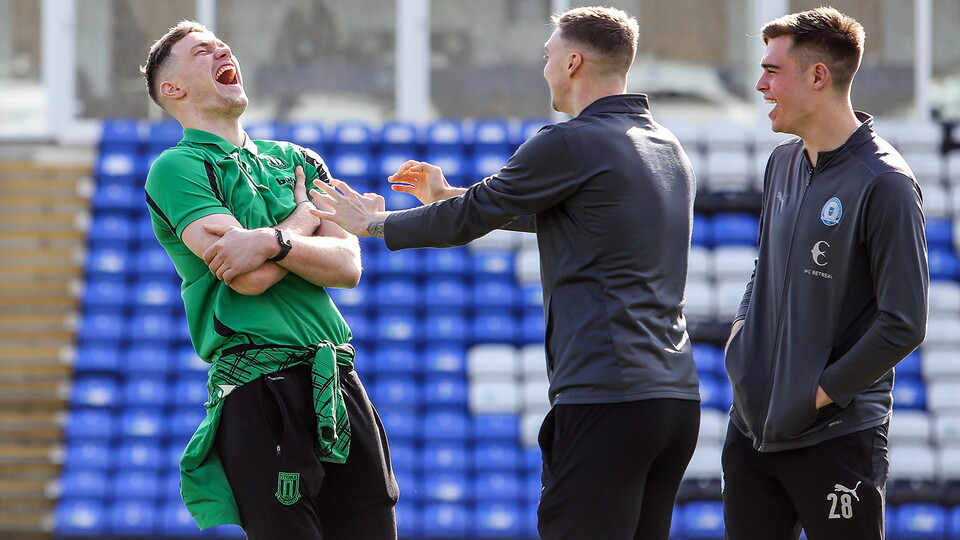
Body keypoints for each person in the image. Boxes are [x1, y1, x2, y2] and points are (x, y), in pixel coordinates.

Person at [308, 6, 701, 539]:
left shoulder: (570, 141)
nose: (544, 69)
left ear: (573, 62)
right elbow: (561, 217)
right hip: (674, 400)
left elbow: (470, 219)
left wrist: (373, 223)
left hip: (607, 394)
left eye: (548, 56)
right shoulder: (666, 147)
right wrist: (447, 194)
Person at [139, 20, 398, 539]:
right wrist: (301, 222)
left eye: (223, 45)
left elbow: (347, 267)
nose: (222, 50)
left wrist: (268, 241)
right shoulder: (177, 167)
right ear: (173, 89)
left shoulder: (299, 159)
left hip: (337, 380)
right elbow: (248, 278)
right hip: (259, 387)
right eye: (202, 51)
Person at [721, 7, 928, 539]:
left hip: (835, 438)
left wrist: (820, 393)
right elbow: (764, 266)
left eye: (772, 70)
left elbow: (903, 322)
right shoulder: (782, 163)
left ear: (818, 76)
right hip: (750, 431)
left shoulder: (886, 184)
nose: (760, 84)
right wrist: (742, 341)